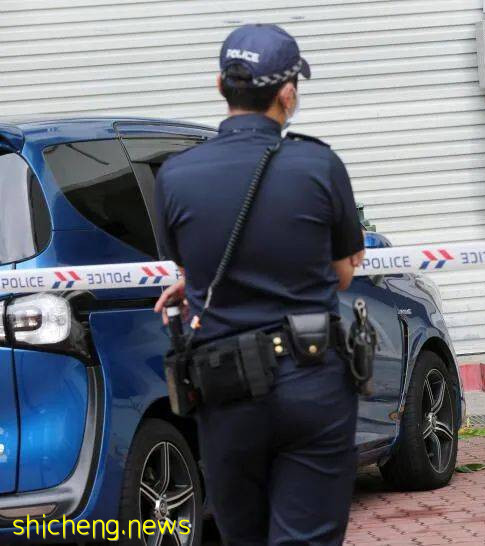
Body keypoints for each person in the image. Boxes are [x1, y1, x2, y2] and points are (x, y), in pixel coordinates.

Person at [152, 23, 365, 545]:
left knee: (240, 533)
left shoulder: (175, 175)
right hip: (311, 376)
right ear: (287, 93)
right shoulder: (319, 165)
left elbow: (190, 271)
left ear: (221, 86)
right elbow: (341, 274)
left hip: (225, 384)